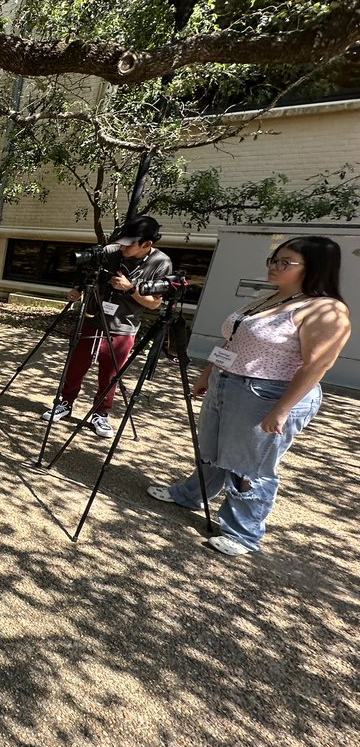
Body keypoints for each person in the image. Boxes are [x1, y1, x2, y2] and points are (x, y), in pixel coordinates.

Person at [147, 236, 351, 556]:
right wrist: (207, 374)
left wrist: (283, 409)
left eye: (286, 262)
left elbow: (318, 364)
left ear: (313, 268)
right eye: (273, 260)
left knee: (248, 466)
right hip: (227, 382)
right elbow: (233, 339)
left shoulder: (325, 309)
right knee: (212, 448)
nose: (274, 267)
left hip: (268, 393)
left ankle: (243, 532)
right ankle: (191, 494)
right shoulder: (268, 299)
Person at [42, 215, 173, 438]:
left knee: (111, 374)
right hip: (92, 318)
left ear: (147, 244)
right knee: (76, 364)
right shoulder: (111, 252)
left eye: (129, 243)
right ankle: (65, 402)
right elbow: (87, 272)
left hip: (123, 326)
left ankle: (101, 413)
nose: (122, 246)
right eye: (122, 241)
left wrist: (131, 288)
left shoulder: (161, 263)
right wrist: (77, 289)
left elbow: (154, 304)